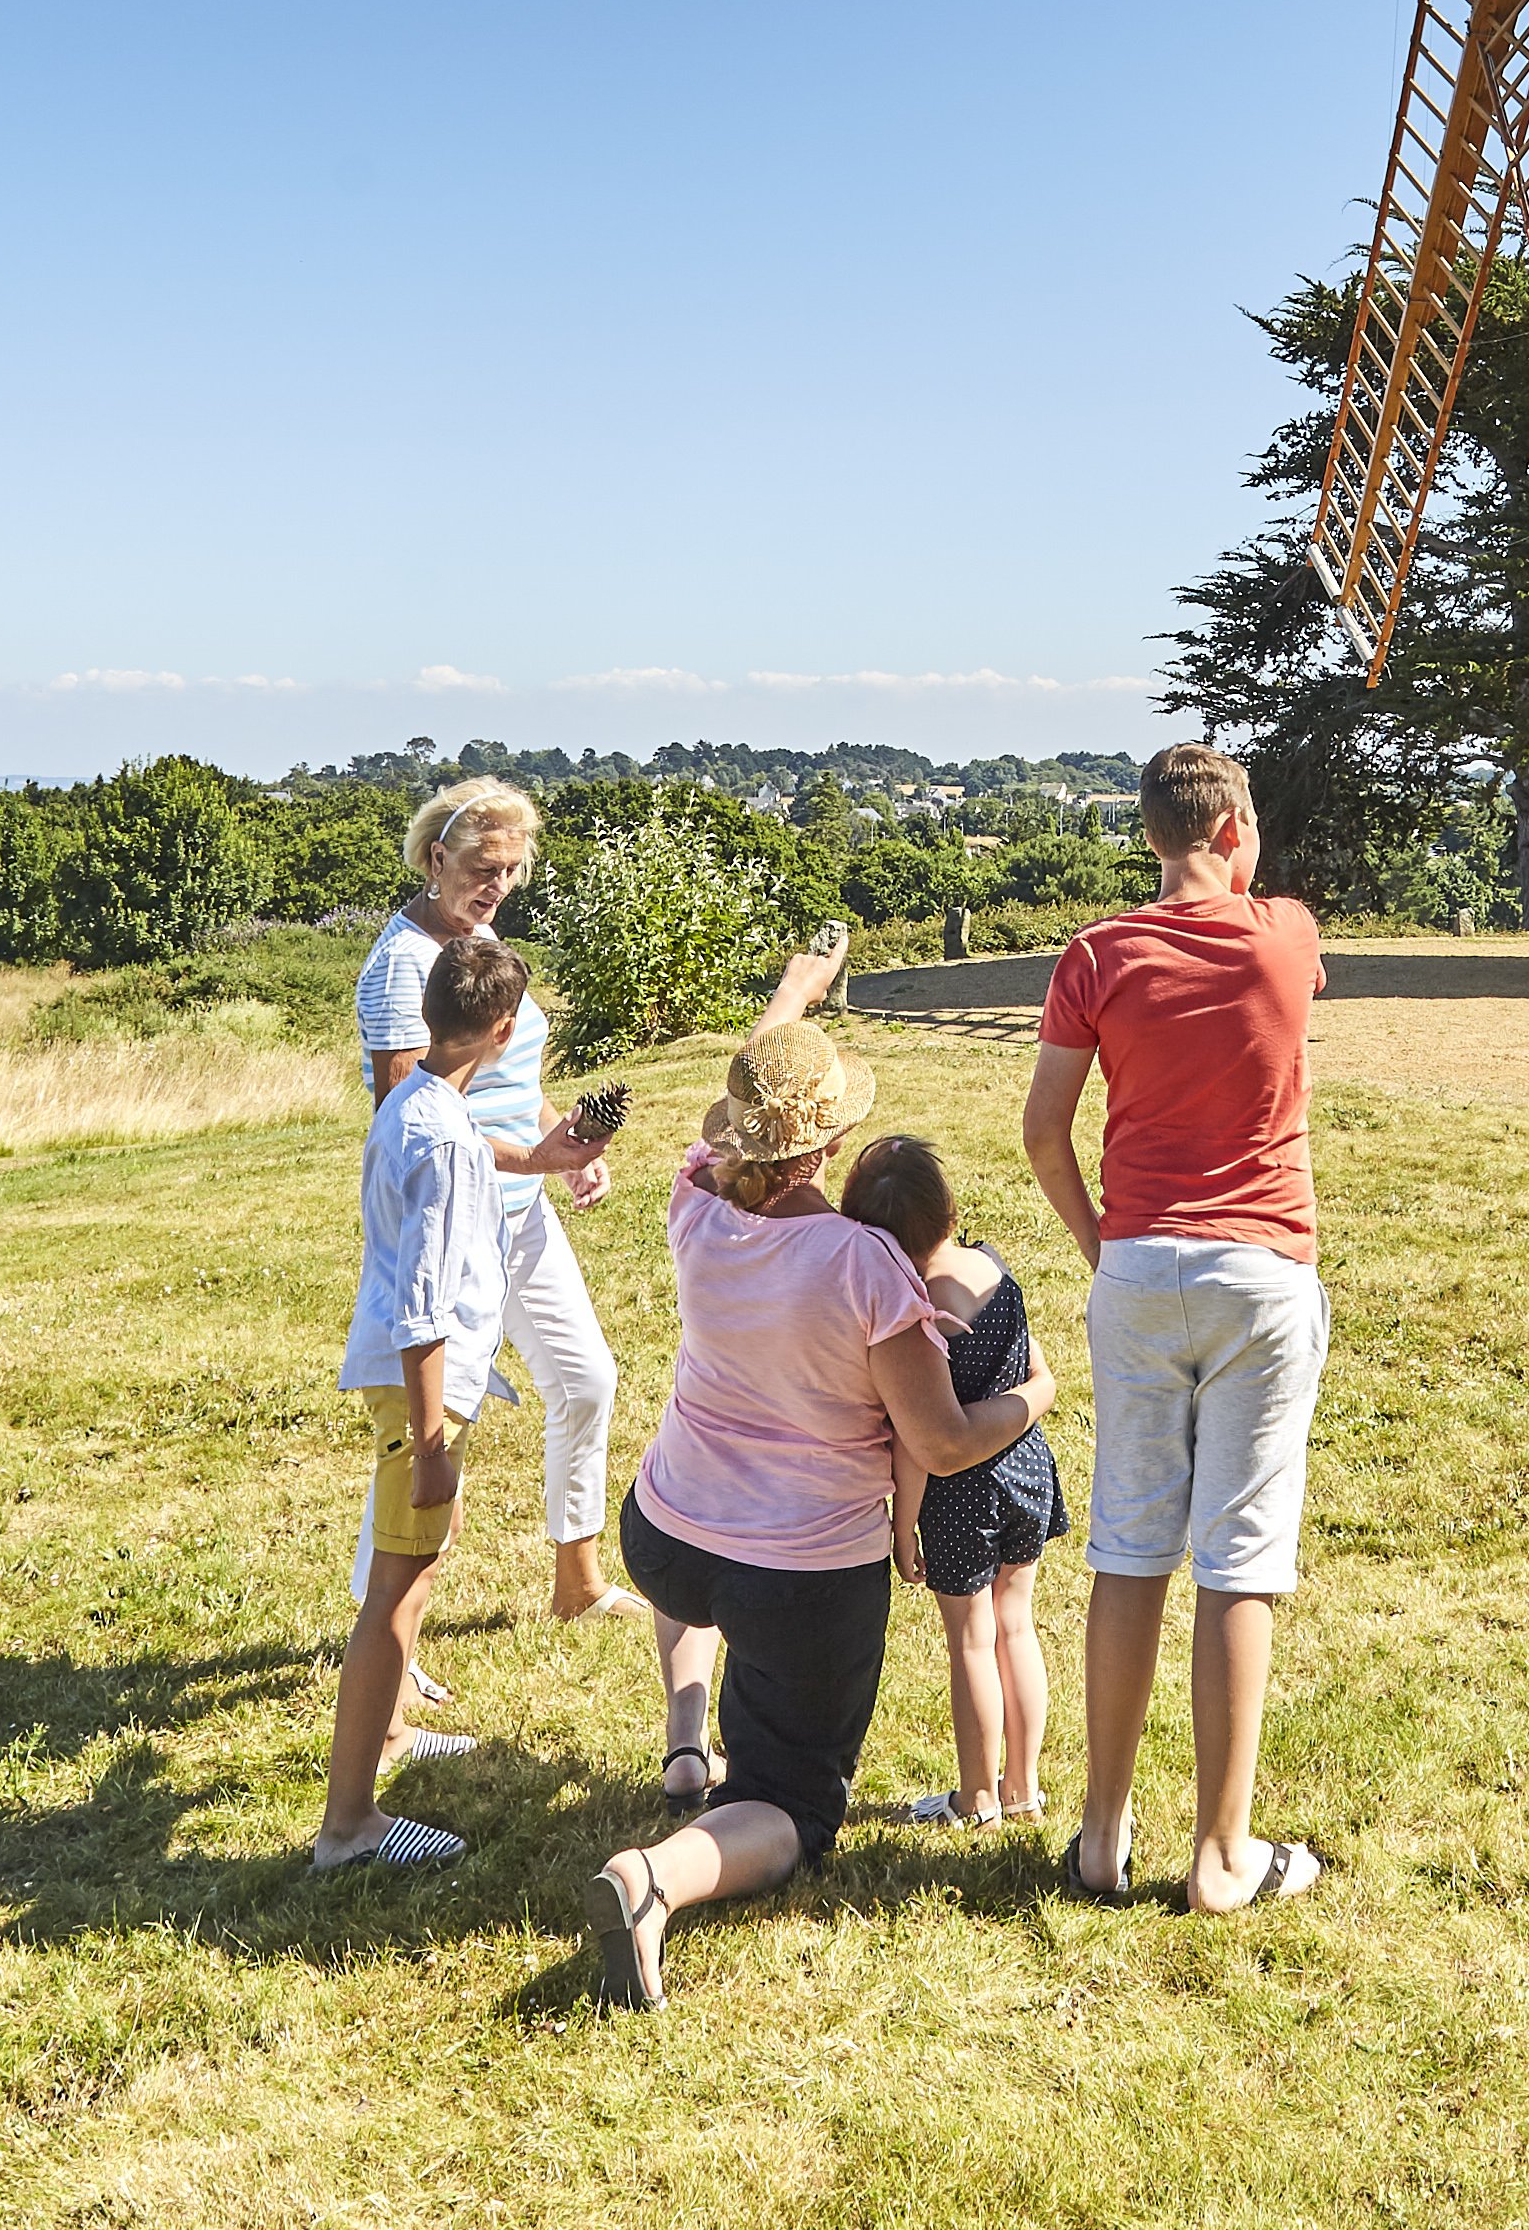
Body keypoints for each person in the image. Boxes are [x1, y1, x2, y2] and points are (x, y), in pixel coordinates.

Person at [583, 950, 1055, 2009]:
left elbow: (748, 1097)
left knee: (697, 1599)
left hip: (666, 1530)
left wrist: (792, 995)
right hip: (796, 1574)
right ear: (833, 1145)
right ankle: (657, 1878)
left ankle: (682, 1737)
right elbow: (936, 1442)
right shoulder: (865, 1266)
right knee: (792, 1807)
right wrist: (1037, 1397)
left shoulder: (693, 1200)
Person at [1023, 738, 1331, 1915]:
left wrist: (1108, 1247)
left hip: (1141, 1267)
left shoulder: (1096, 954)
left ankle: (1101, 1833)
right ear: (1237, 831)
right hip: (1262, 1266)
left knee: (1129, 1545)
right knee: (1240, 1556)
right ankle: (1221, 1853)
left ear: (1150, 836)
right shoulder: (1287, 934)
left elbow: (1046, 1128)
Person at [348, 779, 650, 1748]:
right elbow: (420, 1116)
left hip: (521, 1206)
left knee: (586, 1379)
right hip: (461, 1223)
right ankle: (390, 1639)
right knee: (423, 1436)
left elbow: (500, 1080)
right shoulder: (402, 967)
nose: (499, 886)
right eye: (484, 869)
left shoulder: (475, 958)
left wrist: (564, 1156)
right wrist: (534, 1156)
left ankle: (577, 1582)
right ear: (434, 855)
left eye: (513, 871)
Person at [313, 928, 525, 1871]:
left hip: (420, 1396)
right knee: (392, 1594)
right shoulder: (438, 1138)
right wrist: (433, 1438)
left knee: (412, 1574)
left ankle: (390, 1743)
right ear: (506, 1029)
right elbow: (422, 1309)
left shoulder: (417, 1104)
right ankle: (349, 1826)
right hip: (418, 1401)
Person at [842, 1130, 1065, 1829]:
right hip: (1026, 1468)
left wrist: (903, 1524)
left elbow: (919, 1444)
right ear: (950, 1208)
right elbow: (1028, 1362)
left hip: (960, 1498)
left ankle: (975, 1797)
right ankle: (1024, 1787)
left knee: (970, 1640)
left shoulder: (921, 1314)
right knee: (1016, 1628)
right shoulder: (992, 1267)